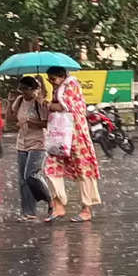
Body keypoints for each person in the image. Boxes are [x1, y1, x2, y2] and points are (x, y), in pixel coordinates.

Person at [44, 66, 101, 223]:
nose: (51, 82)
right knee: (51, 168)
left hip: (76, 134)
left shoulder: (71, 84)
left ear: (62, 76)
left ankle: (86, 208)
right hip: (59, 135)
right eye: (49, 79)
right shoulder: (57, 89)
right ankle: (59, 205)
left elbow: (65, 107)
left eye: (53, 79)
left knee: (83, 170)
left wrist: (48, 105)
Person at [12, 75, 53, 221]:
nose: (23, 92)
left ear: (33, 89)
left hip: (38, 142)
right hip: (22, 142)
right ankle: (28, 212)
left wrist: (32, 123)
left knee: (31, 175)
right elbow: (12, 119)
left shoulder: (39, 103)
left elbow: (46, 123)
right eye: (21, 89)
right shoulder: (19, 101)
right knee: (22, 179)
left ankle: (50, 199)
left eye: (26, 89)